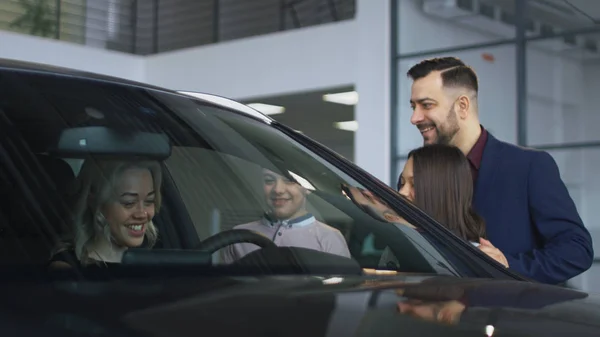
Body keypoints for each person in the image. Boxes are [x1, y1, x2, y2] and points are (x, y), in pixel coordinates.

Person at [405, 56, 593, 284]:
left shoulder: (528, 167)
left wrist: (509, 266)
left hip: (512, 314)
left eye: (426, 105)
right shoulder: (419, 172)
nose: (415, 118)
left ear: (462, 106)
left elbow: (576, 250)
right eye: (414, 106)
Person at [49, 158, 162, 268]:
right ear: (96, 202)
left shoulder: (155, 262)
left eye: (149, 201)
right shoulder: (67, 267)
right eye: (129, 203)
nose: (142, 214)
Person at [222, 168, 350, 263]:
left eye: (289, 181)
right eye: (269, 180)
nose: (278, 190)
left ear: (306, 187)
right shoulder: (238, 235)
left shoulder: (329, 237)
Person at [398, 144, 487, 248]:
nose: (402, 192)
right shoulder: (402, 246)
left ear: (442, 191)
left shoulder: (472, 259)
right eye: (402, 183)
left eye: (414, 184)